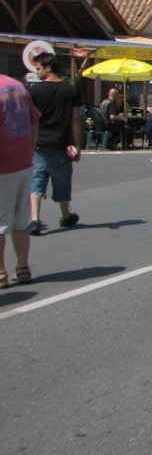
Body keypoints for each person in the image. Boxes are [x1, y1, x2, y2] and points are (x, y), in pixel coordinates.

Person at [28, 52, 82, 235]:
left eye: (38, 68)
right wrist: (77, 145)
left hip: (40, 143)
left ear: (48, 67)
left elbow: (31, 119)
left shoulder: (34, 90)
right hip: (62, 143)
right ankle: (66, 216)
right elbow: (75, 119)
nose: (37, 73)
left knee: (37, 180)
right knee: (62, 180)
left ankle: (34, 219)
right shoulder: (70, 89)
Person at [0, 73, 40, 287]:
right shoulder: (18, 87)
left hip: (2, 165)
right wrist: (29, 150)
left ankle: (0, 272)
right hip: (23, 162)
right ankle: (23, 267)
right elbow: (34, 121)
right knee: (20, 220)